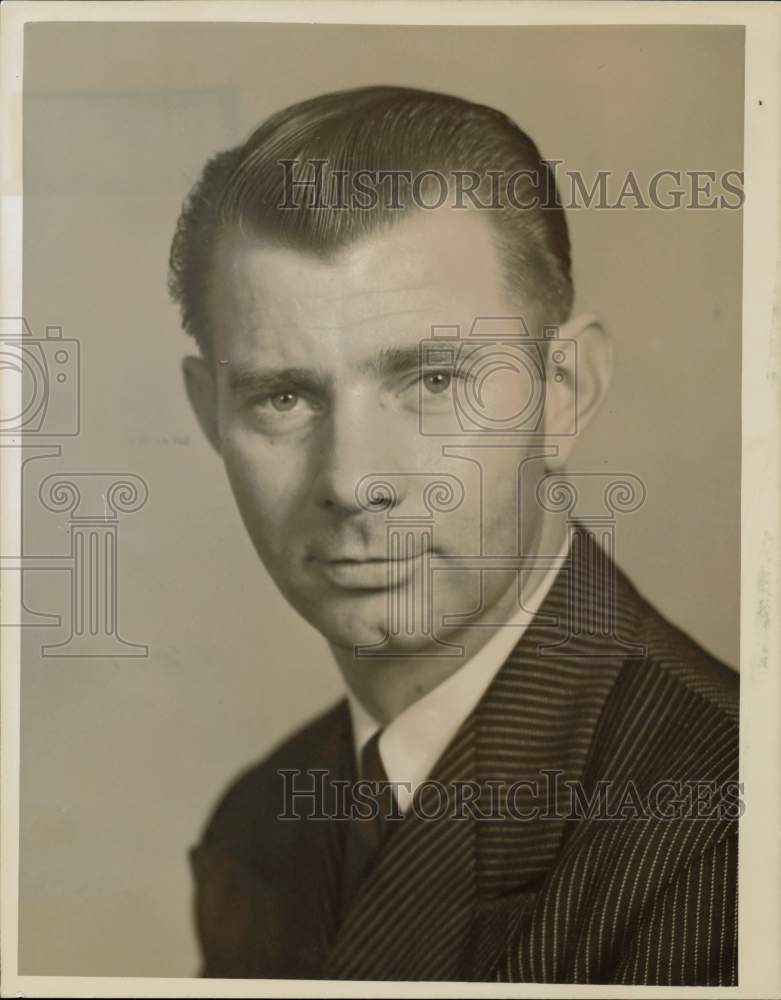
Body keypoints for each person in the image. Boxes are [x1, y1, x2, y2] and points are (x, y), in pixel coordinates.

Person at [168, 86, 739, 984]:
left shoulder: (731, 834)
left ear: (564, 392)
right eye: (283, 396)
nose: (353, 481)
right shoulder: (259, 823)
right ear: (209, 415)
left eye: (433, 380)